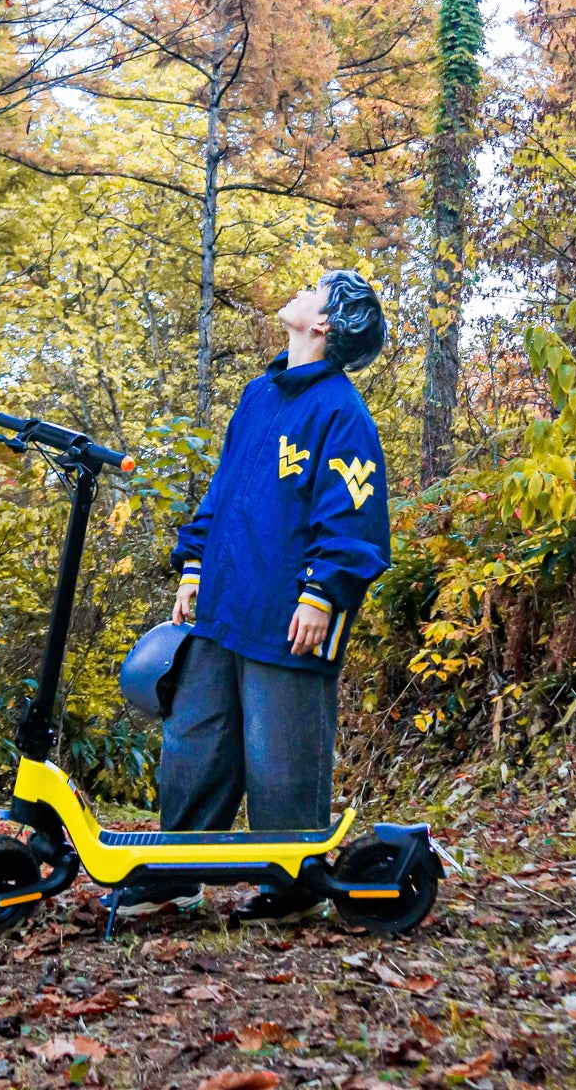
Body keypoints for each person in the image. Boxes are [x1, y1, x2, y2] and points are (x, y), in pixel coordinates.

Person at [112, 269, 392, 924]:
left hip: (291, 615)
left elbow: (355, 517)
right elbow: (224, 490)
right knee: (195, 739)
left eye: (316, 290)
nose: (301, 291)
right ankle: (174, 876)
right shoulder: (258, 395)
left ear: (325, 323)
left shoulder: (342, 413)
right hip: (224, 605)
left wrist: (322, 594)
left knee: (281, 754)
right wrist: (194, 566)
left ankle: (293, 891)